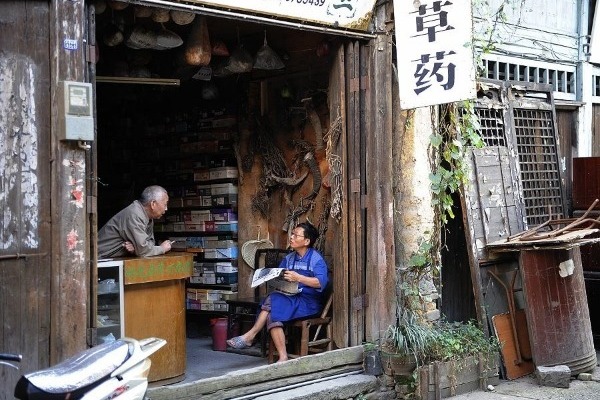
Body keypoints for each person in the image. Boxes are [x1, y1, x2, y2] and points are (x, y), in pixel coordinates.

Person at [226, 221, 329, 362]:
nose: (291, 237)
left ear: (306, 241)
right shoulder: (289, 258)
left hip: (308, 302)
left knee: (272, 303)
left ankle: (251, 336)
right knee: (272, 307)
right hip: (290, 297)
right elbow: (279, 277)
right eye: (292, 234)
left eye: (296, 235)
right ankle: (282, 357)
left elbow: (320, 282)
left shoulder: (316, 259)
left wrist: (298, 277)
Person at [98, 185, 172, 259]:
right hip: (99, 259)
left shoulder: (148, 217)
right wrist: (162, 249)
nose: (166, 209)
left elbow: (149, 245)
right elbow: (143, 250)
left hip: (113, 259)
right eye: (165, 204)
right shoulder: (135, 214)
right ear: (153, 204)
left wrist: (136, 249)